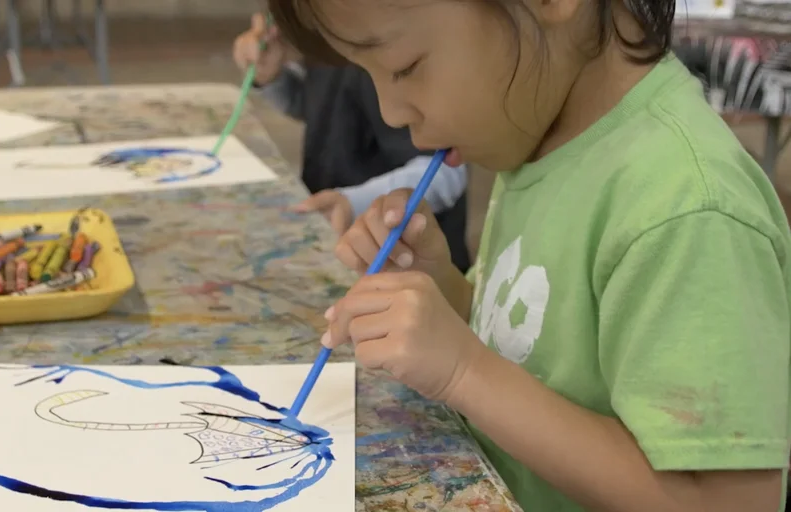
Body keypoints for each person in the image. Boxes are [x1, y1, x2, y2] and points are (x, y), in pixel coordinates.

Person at [268, 0, 791, 511]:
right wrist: (439, 287)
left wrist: (465, 372)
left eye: (405, 67)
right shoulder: (540, 131)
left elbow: (728, 500)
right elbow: (532, 351)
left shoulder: (687, 209)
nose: (391, 112)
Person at [232, 14, 472, 272]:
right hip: (337, 241)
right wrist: (274, 78)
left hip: (413, 267)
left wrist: (353, 203)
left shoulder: (397, 33)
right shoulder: (329, 23)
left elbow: (449, 172)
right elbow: (326, 105)